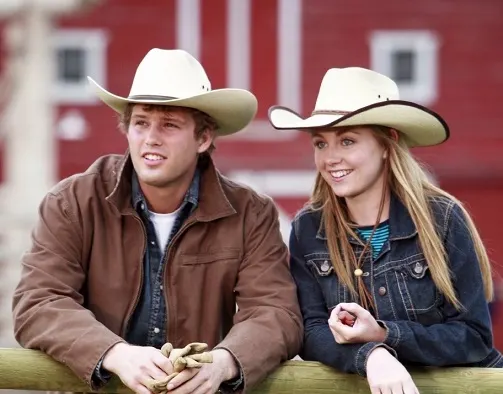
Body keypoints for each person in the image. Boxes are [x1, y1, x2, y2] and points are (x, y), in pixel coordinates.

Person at [12, 48, 303, 394]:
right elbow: (39, 301)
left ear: (203, 138)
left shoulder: (250, 214)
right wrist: (114, 353)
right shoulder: (73, 202)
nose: (151, 137)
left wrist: (223, 363)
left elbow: (276, 312)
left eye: (169, 125)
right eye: (141, 123)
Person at [268, 67, 503, 394]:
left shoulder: (442, 217)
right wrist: (372, 356)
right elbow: (311, 331)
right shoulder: (309, 228)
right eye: (320, 143)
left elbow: (474, 337)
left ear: (387, 143)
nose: (331, 158)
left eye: (347, 141)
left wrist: (382, 334)